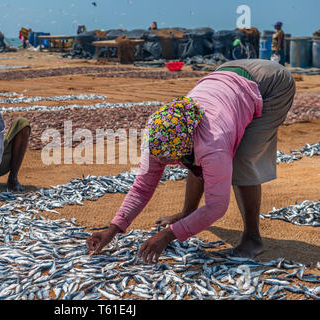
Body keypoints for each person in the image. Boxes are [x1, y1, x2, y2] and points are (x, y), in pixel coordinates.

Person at [87, 59, 295, 262]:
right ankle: (188, 212)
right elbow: (142, 187)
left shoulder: (213, 145)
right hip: (226, 74)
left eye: (168, 159)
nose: (161, 162)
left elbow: (217, 207)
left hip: (271, 83)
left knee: (241, 161)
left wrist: (168, 235)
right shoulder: (157, 135)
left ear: (187, 145)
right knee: (196, 162)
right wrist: (113, 229)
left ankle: (252, 237)